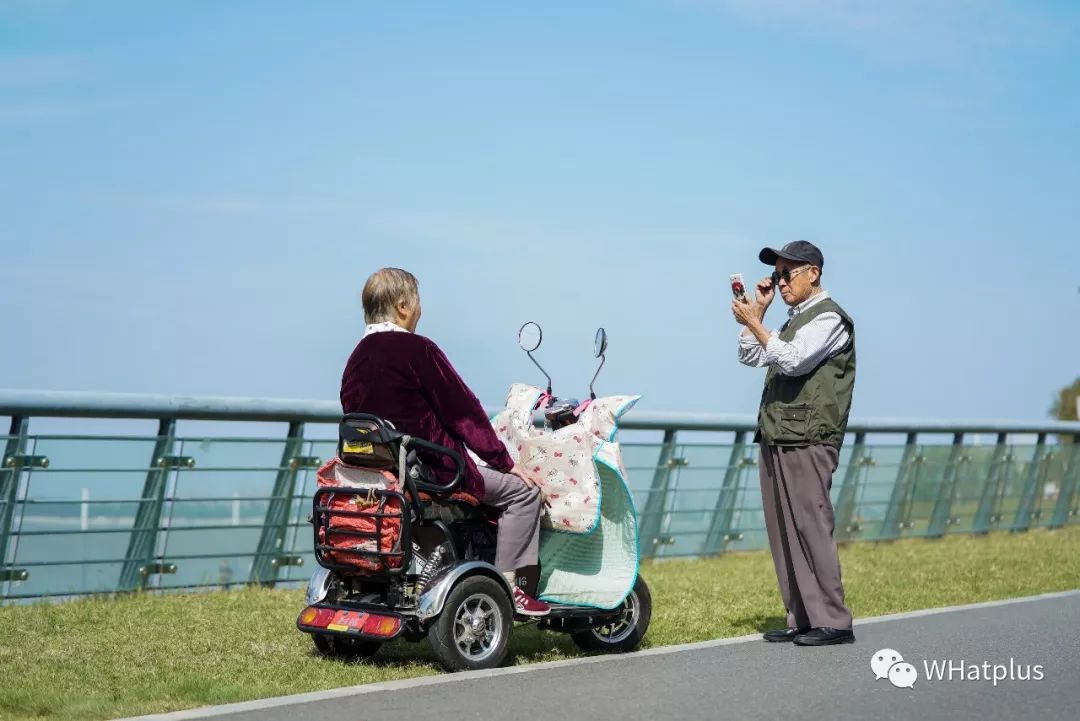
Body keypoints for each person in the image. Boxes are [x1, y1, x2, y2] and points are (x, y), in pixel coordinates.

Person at [340, 267, 550, 616]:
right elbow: (464, 413)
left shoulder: (355, 359)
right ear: (403, 306)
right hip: (435, 469)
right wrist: (504, 461)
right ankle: (516, 588)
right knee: (523, 493)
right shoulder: (417, 350)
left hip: (385, 471)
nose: (422, 309)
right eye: (419, 301)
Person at [731, 240, 856, 646]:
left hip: (809, 437)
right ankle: (802, 616)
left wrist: (755, 323)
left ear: (813, 273)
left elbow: (792, 359)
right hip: (778, 434)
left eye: (787, 274)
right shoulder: (790, 320)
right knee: (783, 528)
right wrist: (759, 315)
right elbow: (749, 357)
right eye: (777, 275)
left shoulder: (830, 319)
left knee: (811, 525)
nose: (779, 282)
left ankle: (834, 620)